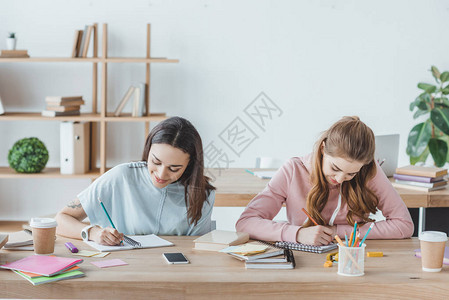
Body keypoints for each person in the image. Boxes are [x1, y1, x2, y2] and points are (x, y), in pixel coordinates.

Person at [236, 116, 414, 246]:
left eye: (351, 174)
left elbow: (404, 225)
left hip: (353, 259)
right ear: (322, 149)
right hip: (301, 262)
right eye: (335, 168)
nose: (339, 179)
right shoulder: (293, 170)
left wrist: (339, 232)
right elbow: (245, 222)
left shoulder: (369, 171)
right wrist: (297, 233)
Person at [56, 116, 215, 245]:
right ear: (148, 150)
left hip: (175, 274)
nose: (161, 174)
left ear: (190, 164)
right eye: (156, 162)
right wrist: (92, 232)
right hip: (122, 268)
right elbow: (61, 219)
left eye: (174, 168)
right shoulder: (122, 175)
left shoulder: (203, 194)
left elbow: (198, 248)